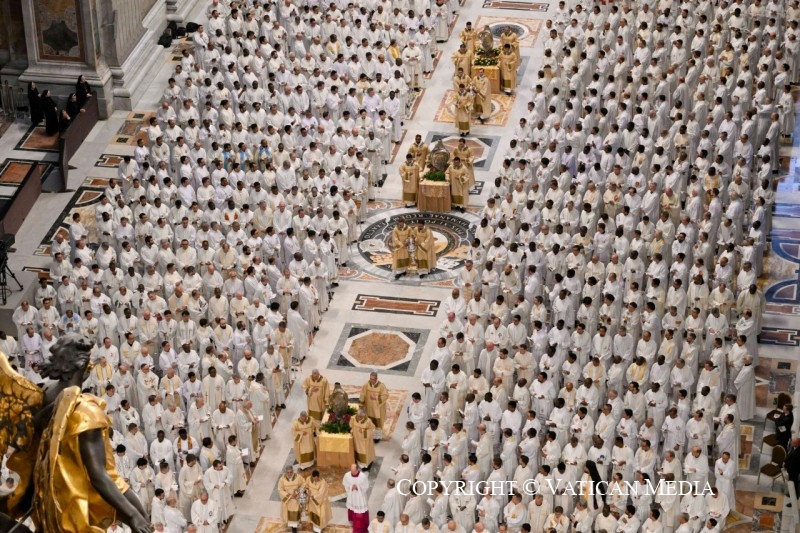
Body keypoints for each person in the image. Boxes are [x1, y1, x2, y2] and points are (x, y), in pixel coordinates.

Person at [360, 372, 389, 442]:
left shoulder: (381, 386)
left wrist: (376, 398)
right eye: (370, 379)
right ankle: (367, 435)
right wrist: (361, 403)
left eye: (373, 379)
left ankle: (377, 437)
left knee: (378, 424)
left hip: (377, 410)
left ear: (376, 378)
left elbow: (385, 395)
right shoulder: (366, 384)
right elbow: (362, 394)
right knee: (367, 422)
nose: (371, 381)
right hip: (369, 408)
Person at [344, 463, 370, 533]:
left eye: (354, 471)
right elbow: (345, 484)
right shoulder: (347, 475)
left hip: (360, 497)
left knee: (359, 512)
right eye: (351, 471)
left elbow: (366, 486)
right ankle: (352, 519)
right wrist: (351, 487)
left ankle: (360, 526)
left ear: (357, 470)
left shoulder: (363, 476)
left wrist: (358, 487)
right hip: (352, 496)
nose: (352, 473)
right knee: (352, 508)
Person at [278, 465, 305, 533]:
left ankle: (294, 526)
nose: (289, 474)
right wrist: (289, 496)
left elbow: (304, 484)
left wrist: (297, 492)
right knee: (289, 514)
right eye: (288, 472)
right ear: (285, 472)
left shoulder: (298, 477)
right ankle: (292, 525)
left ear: (293, 471)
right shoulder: (282, 479)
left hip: (296, 498)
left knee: (295, 513)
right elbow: (280, 490)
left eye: (291, 472)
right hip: (288, 499)